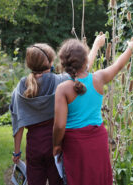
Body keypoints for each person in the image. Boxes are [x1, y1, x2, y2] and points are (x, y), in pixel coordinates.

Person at [10, 35, 105, 185]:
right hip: (56, 142)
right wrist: (96, 46)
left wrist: (17, 152)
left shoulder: (20, 89)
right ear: (50, 62)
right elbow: (84, 68)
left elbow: (18, 123)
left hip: (34, 145)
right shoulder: (59, 81)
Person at [53, 38, 133, 185]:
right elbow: (118, 66)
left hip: (75, 145)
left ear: (63, 63)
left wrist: (56, 145)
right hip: (98, 140)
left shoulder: (63, 89)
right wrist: (130, 48)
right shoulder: (98, 78)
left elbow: (60, 126)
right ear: (85, 59)